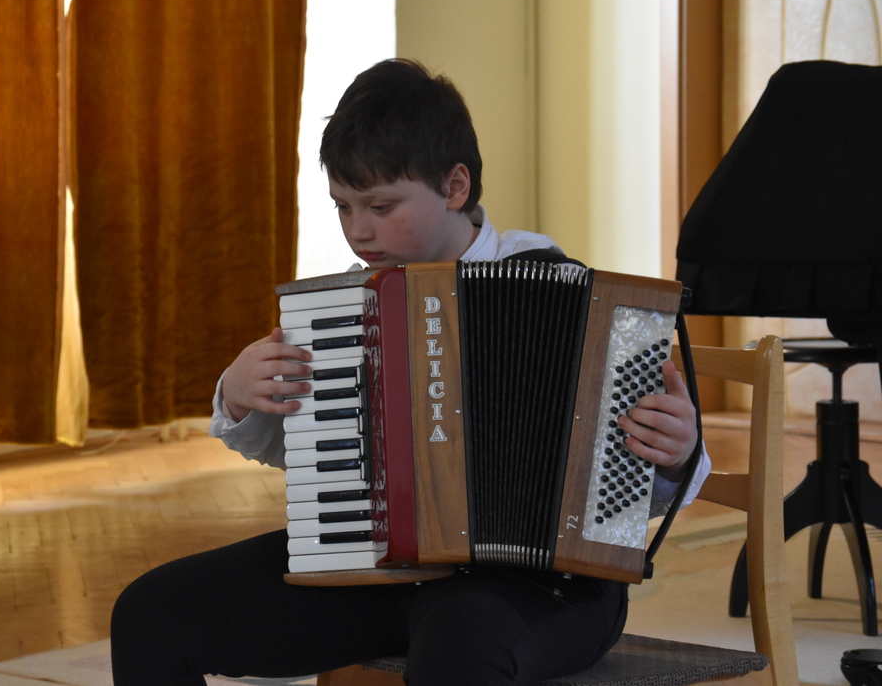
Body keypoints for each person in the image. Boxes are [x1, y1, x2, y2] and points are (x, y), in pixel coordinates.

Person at [109, 59, 711, 686]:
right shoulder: (347, 310)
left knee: (460, 642)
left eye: (380, 205)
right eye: (343, 207)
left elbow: (646, 485)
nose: (358, 230)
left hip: (547, 586)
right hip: (376, 566)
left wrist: (675, 453)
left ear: (455, 187)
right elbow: (311, 456)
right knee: (150, 615)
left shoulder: (571, 293)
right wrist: (238, 395)